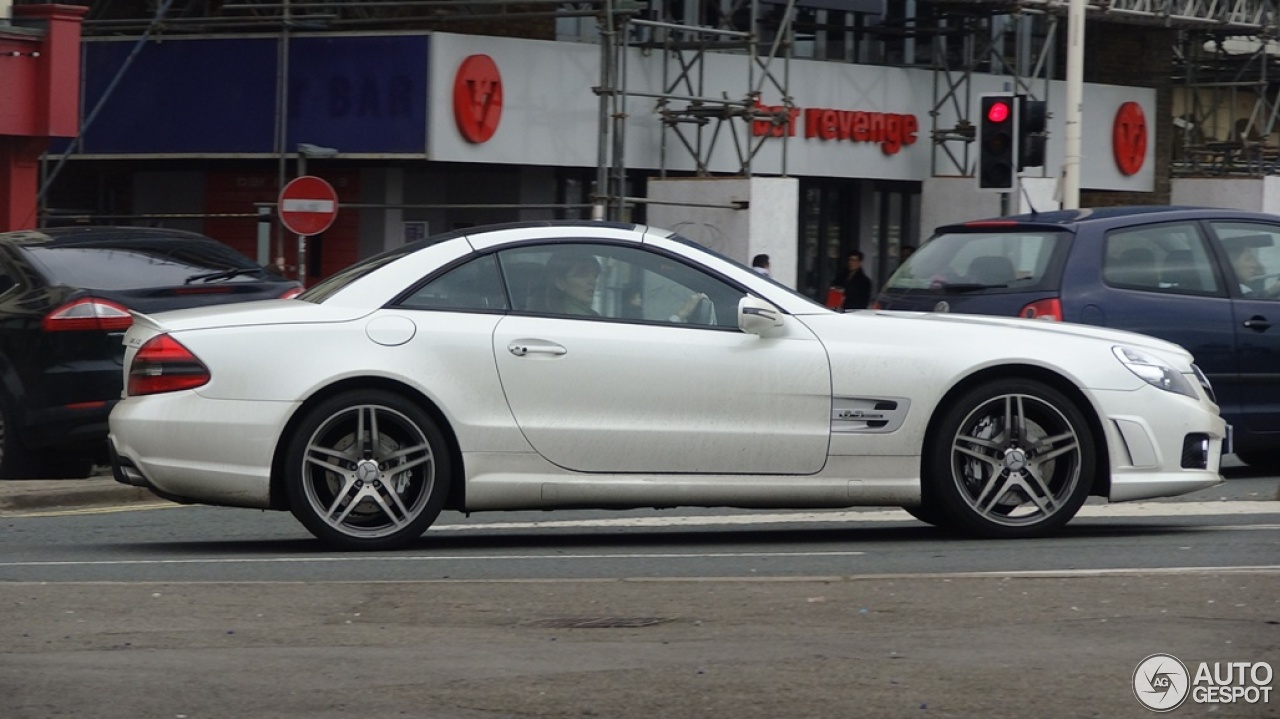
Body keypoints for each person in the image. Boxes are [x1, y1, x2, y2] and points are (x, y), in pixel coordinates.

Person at [540, 248, 602, 316]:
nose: (592, 282)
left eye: (595, 276)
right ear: (560, 283)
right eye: (582, 275)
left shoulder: (593, 315)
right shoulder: (553, 317)